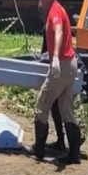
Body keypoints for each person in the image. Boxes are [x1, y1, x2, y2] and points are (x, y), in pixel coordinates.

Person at [31, 0, 80, 164]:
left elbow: (58, 32)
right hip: (71, 65)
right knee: (66, 109)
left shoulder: (55, 12)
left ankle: (39, 150)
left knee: (41, 106)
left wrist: (56, 57)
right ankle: (73, 155)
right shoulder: (56, 9)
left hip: (63, 65)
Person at [40, 11, 66, 152]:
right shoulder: (50, 24)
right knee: (58, 106)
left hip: (57, 68)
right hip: (59, 66)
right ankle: (62, 139)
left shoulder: (52, 24)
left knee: (51, 105)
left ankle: (59, 140)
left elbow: (47, 49)